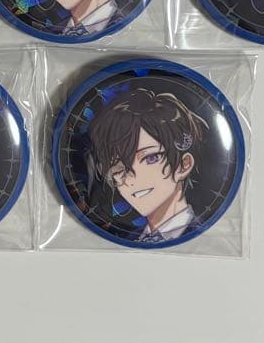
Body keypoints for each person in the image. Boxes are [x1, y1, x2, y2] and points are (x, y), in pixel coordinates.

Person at [88, 87, 208, 244]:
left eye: (151, 158)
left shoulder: (206, 238)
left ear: (184, 164)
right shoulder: (128, 239)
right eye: (119, 168)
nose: (131, 177)